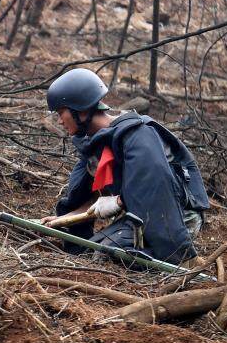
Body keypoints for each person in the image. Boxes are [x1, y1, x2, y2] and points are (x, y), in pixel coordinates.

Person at [41, 68, 209, 265]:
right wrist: (62, 220)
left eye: (62, 112)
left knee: (105, 256)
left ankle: (190, 263)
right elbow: (95, 200)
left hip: (175, 218)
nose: (60, 120)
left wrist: (119, 202)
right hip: (140, 214)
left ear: (82, 110)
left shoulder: (138, 136)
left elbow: (157, 190)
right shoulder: (98, 143)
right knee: (87, 251)